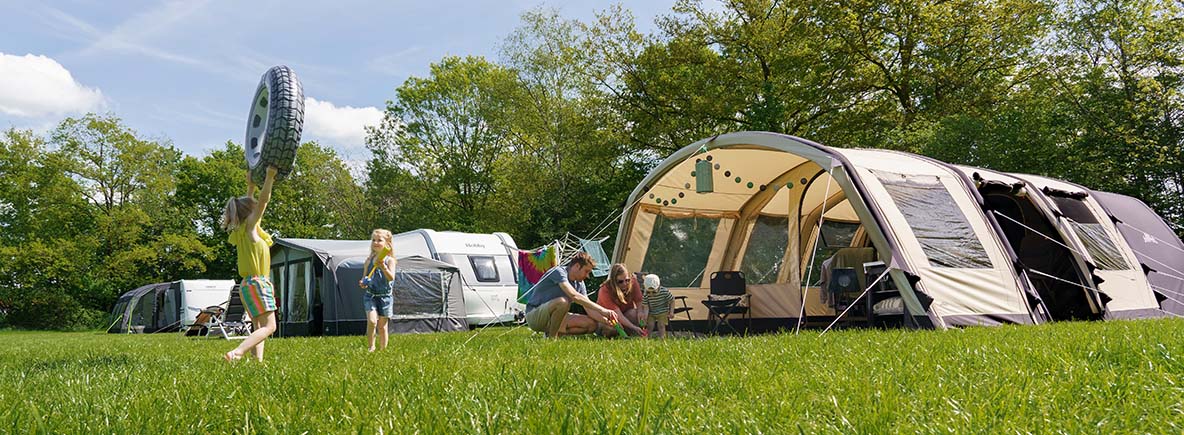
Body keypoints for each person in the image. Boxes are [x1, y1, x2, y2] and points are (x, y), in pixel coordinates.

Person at [222, 166, 278, 362]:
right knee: (270, 327)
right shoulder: (251, 229)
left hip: (246, 285)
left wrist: (250, 186)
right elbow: (263, 201)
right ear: (251, 212)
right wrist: (269, 177)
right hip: (258, 283)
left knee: (257, 326)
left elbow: (248, 203)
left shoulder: (240, 230)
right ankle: (237, 352)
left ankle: (257, 364)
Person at [524, 252, 618, 338]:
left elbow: (588, 307)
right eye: (586, 271)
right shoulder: (558, 272)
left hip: (555, 316)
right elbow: (574, 295)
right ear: (577, 266)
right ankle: (552, 338)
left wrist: (606, 320)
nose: (588, 276)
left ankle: (552, 333)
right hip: (534, 315)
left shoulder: (579, 283)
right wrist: (603, 310)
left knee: (591, 324)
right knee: (562, 302)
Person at [359, 229, 397, 352]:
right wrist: (362, 283)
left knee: (382, 327)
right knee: (371, 321)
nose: (375, 242)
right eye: (373, 240)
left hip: (385, 297)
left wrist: (383, 267)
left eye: (379, 240)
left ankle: (383, 350)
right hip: (370, 296)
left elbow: (391, 277)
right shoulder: (369, 260)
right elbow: (364, 278)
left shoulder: (389, 260)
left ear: (387, 243)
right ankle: (371, 347)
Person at [595, 264, 646, 337]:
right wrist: (633, 327)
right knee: (611, 328)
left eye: (627, 280)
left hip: (625, 315)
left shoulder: (633, 282)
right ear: (614, 281)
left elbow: (639, 301)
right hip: (608, 319)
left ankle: (630, 333)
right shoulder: (605, 290)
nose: (625, 284)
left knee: (635, 313)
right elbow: (617, 315)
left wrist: (640, 312)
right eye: (620, 282)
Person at [642, 274, 675, 338]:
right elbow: (646, 306)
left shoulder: (665, 291)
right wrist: (645, 316)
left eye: (654, 292)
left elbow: (672, 301)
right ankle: (647, 338)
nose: (651, 294)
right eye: (649, 292)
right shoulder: (645, 294)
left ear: (659, 286)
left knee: (661, 325)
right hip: (651, 312)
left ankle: (662, 339)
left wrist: (671, 312)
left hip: (663, 311)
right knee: (650, 325)